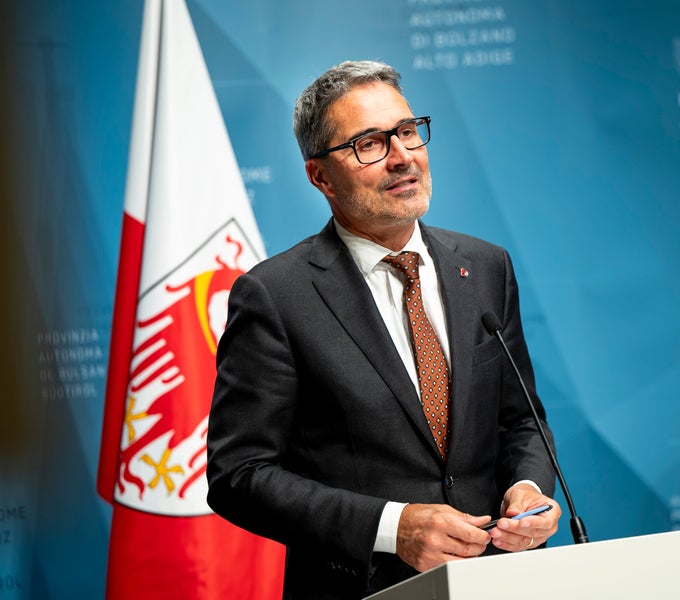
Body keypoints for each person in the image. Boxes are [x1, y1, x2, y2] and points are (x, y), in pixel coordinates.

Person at [207, 60, 561, 600]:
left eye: (407, 132)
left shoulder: (486, 267)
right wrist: (393, 527)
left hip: (498, 581)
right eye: (369, 144)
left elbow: (521, 420)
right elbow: (240, 474)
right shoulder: (275, 296)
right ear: (320, 176)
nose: (402, 157)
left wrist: (528, 488)